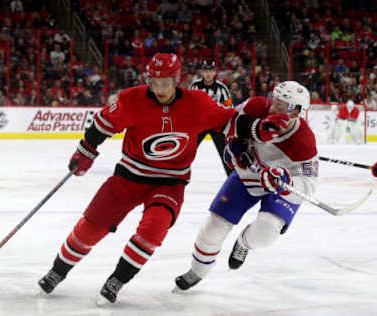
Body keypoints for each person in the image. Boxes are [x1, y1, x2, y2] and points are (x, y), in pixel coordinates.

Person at [38, 53, 288, 304]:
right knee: (92, 224)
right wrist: (85, 152)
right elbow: (103, 124)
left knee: (154, 228)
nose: (159, 88)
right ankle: (57, 271)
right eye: (154, 82)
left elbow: (229, 121)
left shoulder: (197, 103)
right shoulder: (132, 100)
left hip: (170, 182)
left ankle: (117, 279)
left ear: (176, 80)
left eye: (165, 82)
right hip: (129, 176)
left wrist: (259, 128)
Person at [174, 81, 319, 291]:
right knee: (212, 227)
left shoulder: (304, 141)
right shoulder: (256, 106)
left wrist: (287, 183)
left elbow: (309, 184)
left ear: (296, 112)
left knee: (266, 232)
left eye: (280, 106)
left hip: (280, 186)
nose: (272, 108)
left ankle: (243, 243)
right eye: (274, 101)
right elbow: (230, 123)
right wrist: (234, 145)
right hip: (249, 175)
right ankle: (197, 271)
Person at [189, 60, 234, 176]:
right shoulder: (195, 86)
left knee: (225, 155)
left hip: (217, 126)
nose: (208, 74)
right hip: (199, 125)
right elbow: (187, 105)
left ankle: (232, 180)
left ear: (214, 72)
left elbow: (229, 107)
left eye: (210, 71)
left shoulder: (222, 88)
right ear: (202, 72)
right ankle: (177, 176)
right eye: (205, 71)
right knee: (187, 152)